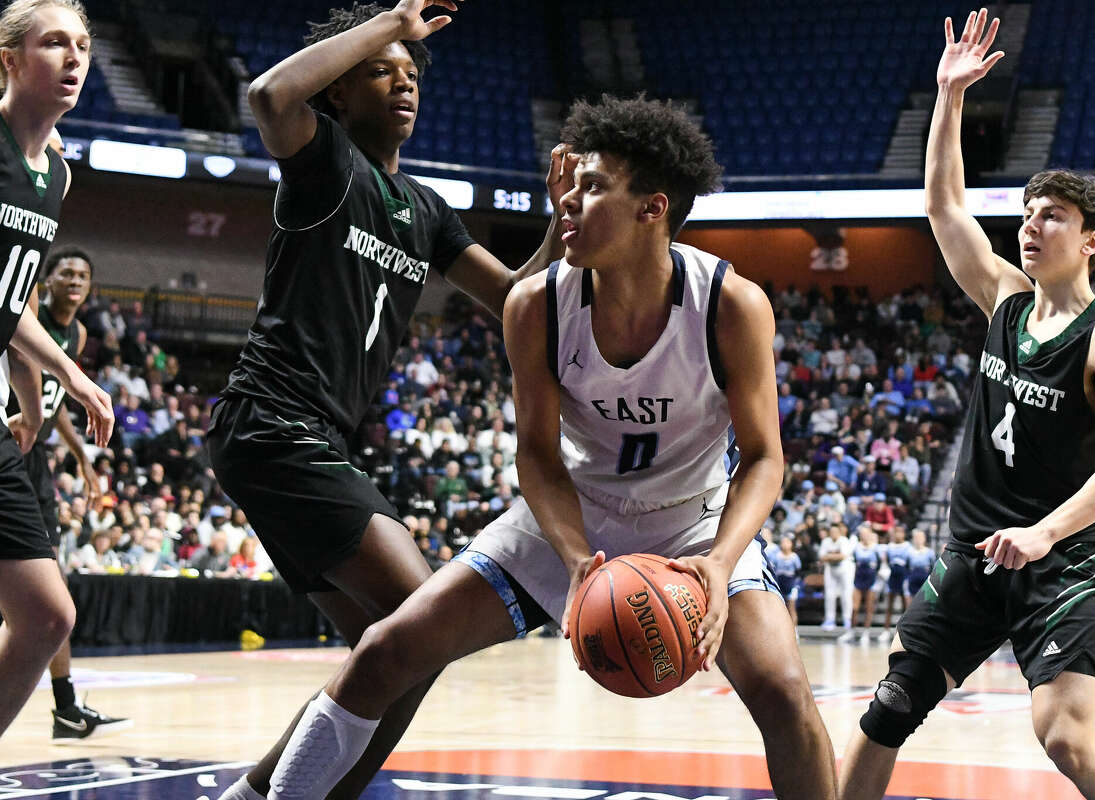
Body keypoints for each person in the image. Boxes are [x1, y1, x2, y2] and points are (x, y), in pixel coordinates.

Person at [257, 95, 837, 800]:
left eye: (592, 187)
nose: (566, 198)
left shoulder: (730, 303)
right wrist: (572, 560)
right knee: (385, 651)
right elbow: (535, 453)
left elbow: (766, 457)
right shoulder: (535, 305)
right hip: (572, 516)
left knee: (782, 690)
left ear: (653, 209)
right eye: (570, 182)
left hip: (693, 520)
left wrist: (717, 561)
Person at [207, 3, 577, 797]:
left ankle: (258, 793)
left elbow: (519, 298)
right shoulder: (325, 161)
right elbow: (272, 96)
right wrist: (388, 24)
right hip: (272, 420)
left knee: (390, 655)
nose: (405, 84)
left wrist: (561, 222)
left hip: (314, 438)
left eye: (412, 76)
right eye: (385, 71)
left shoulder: (428, 209)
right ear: (340, 92)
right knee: (419, 622)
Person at [838, 11, 1095, 800]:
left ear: (1090, 241)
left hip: (1061, 561)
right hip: (977, 552)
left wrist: (1044, 534)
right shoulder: (1006, 301)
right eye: (1027, 213)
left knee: (1066, 738)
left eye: (1052, 216)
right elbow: (946, 209)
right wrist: (948, 97)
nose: (1030, 227)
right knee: (890, 706)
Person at [0, 0, 114, 742]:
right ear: (9, 60)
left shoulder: (56, 177)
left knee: (47, 615)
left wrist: (42, 390)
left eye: (81, 45)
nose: (73, 58)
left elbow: (10, 300)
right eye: (52, 44)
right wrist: (68, 374)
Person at [2, 245, 129, 739]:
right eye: (66, 271)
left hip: (36, 454)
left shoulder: (75, 333)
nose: (75, 280)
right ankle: (64, 704)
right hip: (11, 434)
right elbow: (22, 362)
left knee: (51, 592)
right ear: (47, 279)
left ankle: (65, 704)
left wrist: (79, 456)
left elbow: (53, 405)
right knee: (39, 595)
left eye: (83, 274)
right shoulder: (24, 304)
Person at [819, 521, 854, 632]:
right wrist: (835, 556)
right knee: (829, 594)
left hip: (845, 570)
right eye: (832, 531)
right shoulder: (826, 541)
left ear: (840, 532)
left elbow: (843, 556)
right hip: (831, 570)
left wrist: (829, 556)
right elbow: (821, 557)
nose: (833, 533)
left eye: (836, 531)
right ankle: (830, 619)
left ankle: (847, 619)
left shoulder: (844, 540)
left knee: (846, 594)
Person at [849, 525, 881, 643]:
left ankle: (866, 633)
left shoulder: (876, 548)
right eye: (862, 534)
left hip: (871, 580)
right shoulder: (856, 547)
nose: (864, 536)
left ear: (870, 534)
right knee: (854, 607)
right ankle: (852, 631)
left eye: (866, 533)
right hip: (858, 580)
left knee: (869, 607)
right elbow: (854, 562)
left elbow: (878, 564)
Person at [881, 525, 911, 636]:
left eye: (900, 532)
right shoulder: (889, 546)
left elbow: (909, 562)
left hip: (904, 576)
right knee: (890, 605)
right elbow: (888, 561)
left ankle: (904, 632)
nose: (897, 535)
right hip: (893, 576)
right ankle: (886, 630)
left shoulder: (908, 546)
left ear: (903, 534)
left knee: (905, 606)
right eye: (896, 532)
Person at [768, 533, 803, 626]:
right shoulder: (776, 556)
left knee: (791, 607)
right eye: (783, 542)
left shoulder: (794, 557)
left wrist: (796, 584)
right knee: (779, 607)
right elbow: (772, 569)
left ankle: (794, 630)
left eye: (787, 542)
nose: (785, 544)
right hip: (780, 583)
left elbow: (799, 572)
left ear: (791, 544)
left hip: (791, 583)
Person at [904, 528, 935, 609]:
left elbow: (933, 568)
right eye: (916, 537)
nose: (918, 540)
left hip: (924, 579)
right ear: (913, 539)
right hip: (912, 579)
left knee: (924, 604)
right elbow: (906, 567)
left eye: (920, 537)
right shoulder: (909, 552)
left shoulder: (930, 552)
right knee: (910, 605)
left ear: (924, 539)